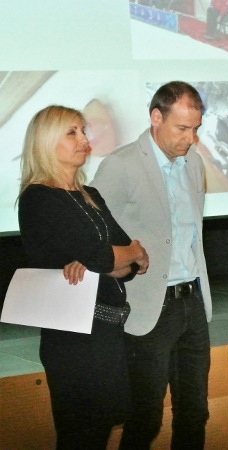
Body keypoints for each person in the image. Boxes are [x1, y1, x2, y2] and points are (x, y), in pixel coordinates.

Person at [17, 105, 149, 449]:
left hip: (105, 331)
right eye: (71, 132)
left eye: (83, 131)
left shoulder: (90, 195)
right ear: (46, 141)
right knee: (81, 434)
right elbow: (109, 256)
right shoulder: (39, 197)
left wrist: (120, 256)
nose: (83, 139)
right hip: (73, 338)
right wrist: (122, 254)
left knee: (101, 428)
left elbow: (132, 264)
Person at [91, 81, 212, 449]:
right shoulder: (121, 164)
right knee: (145, 415)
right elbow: (95, 235)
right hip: (147, 306)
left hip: (192, 300)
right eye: (182, 128)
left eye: (195, 128)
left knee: (195, 411)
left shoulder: (194, 162)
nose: (190, 138)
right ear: (156, 117)